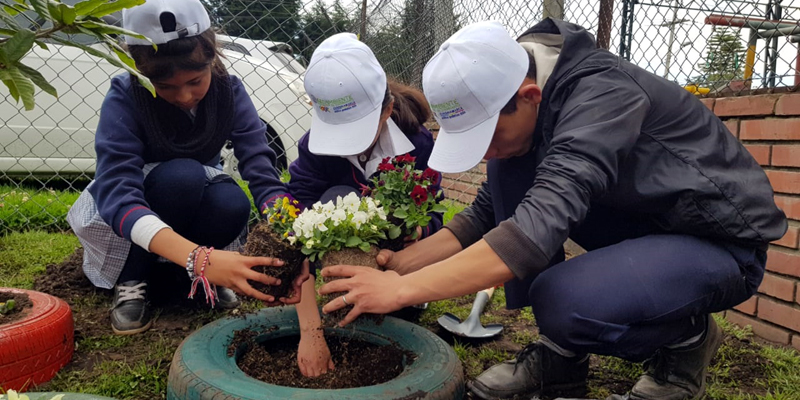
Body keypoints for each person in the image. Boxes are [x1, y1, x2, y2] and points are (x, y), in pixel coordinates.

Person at [317, 19, 788, 400]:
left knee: (564, 299)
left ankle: (687, 343)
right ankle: (561, 361)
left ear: (529, 97)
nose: (483, 154)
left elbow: (534, 226)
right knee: (508, 172)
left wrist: (400, 292)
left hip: (718, 247)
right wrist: (400, 266)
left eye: (488, 136)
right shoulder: (523, 85)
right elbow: (487, 213)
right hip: (647, 227)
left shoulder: (601, 96)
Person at [67, 0, 308, 336]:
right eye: (165, 86)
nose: (183, 96)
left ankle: (189, 278)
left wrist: (289, 224)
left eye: (195, 80)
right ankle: (134, 277)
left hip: (197, 189)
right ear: (139, 70)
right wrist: (203, 259)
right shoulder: (126, 95)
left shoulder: (230, 92)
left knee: (231, 203)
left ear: (212, 58)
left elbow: (260, 167)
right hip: (143, 199)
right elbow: (118, 190)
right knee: (182, 176)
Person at [286, 33, 443, 378]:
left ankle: (395, 295)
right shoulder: (313, 147)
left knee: (393, 215)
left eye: (355, 131)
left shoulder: (416, 143)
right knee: (337, 198)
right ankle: (336, 294)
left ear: (386, 110)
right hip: (336, 260)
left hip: (393, 260)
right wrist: (310, 331)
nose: (346, 147)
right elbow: (296, 220)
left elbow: (434, 210)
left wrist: (417, 231)